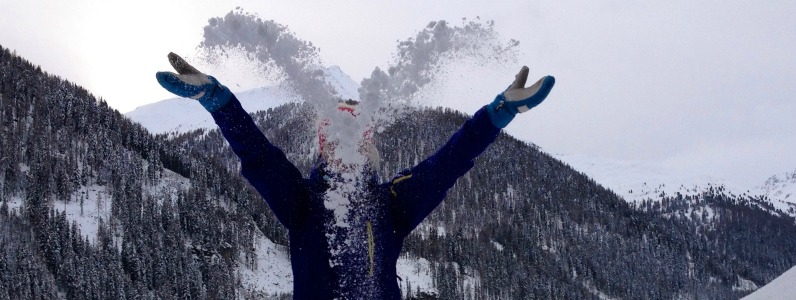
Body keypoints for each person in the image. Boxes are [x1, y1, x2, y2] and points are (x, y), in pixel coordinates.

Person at [156, 52, 555, 299]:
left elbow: (447, 163)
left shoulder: (391, 203)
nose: (342, 149)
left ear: (366, 146)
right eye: (334, 139)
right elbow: (258, 156)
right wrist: (219, 102)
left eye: (352, 141)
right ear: (322, 146)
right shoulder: (301, 201)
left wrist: (496, 114)